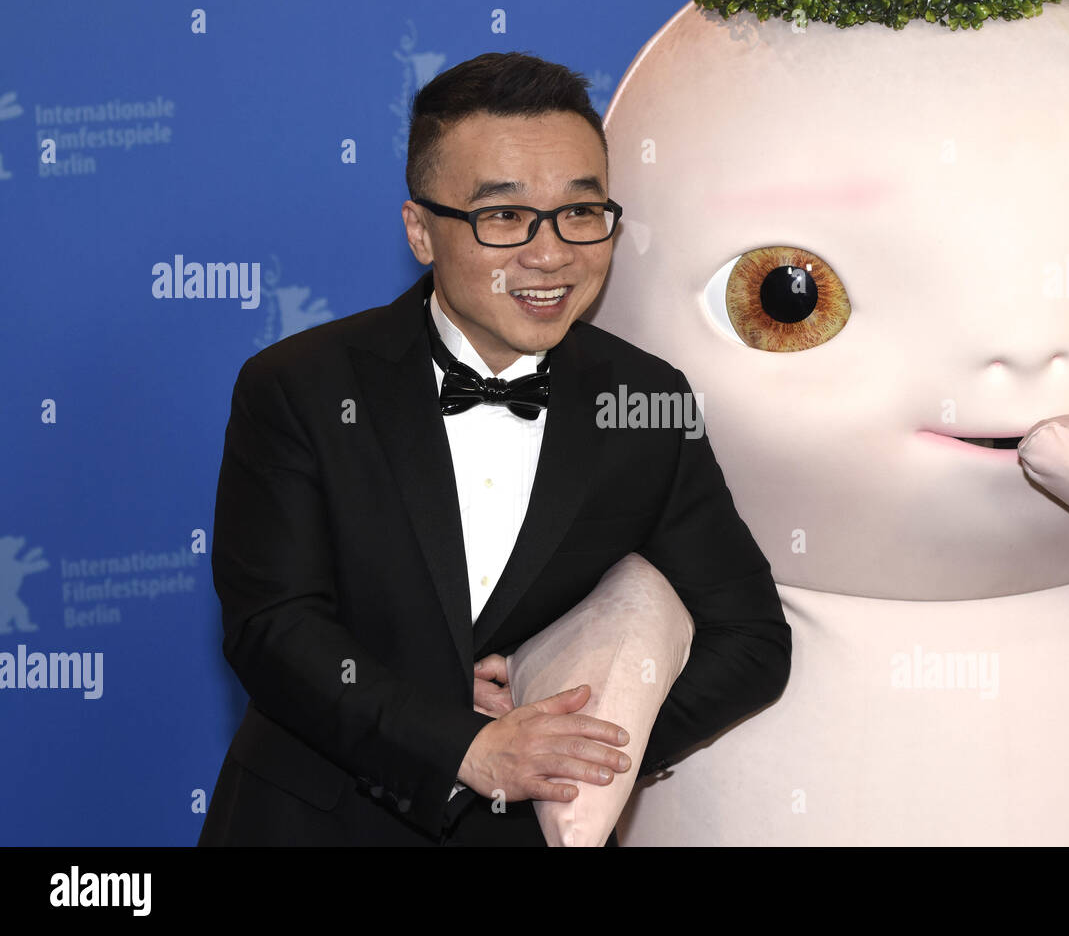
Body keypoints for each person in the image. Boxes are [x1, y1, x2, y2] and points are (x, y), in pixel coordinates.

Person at [197, 51, 792, 846]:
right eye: (504, 217)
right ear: (420, 230)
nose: (550, 254)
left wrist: (573, 752)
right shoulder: (298, 385)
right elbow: (273, 629)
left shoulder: (644, 399)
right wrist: (466, 748)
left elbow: (751, 639)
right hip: (314, 821)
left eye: (581, 213)